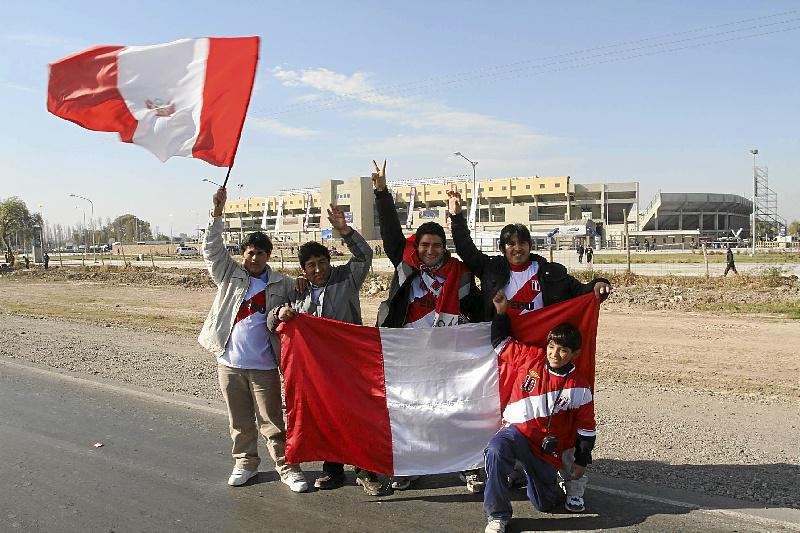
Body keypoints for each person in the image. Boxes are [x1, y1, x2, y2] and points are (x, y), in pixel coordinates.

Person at [372, 159, 484, 493]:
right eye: (424, 245)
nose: (430, 250)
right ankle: (411, 466)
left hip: (450, 352)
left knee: (457, 408)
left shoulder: (460, 273)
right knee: (411, 410)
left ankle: (468, 465)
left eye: (436, 245)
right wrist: (381, 192)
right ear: (416, 247)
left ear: (444, 247)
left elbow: (476, 309)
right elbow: (390, 231)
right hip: (408, 353)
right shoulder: (405, 264)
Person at [197, 186, 308, 493]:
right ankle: (245, 463)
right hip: (229, 364)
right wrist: (216, 213)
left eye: (260, 253)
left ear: (268, 255)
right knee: (240, 420)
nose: (254, 257)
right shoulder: (228, 274)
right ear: (243, 254)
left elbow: (305, 302)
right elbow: (211, 248)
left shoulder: (282, 283)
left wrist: (303, 282)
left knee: (272, 422)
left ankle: (287, 467)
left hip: (264, 367)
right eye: (250, 252)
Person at [268, 204, 382, 496]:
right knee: (325, 416)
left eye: (322, 262)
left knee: (355, 416)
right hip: (316, 372)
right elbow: (271, 319)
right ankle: (332, 469)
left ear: (330, 262)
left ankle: (365, 470)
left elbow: (365, 255)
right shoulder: (297, 290)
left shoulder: (347, 278)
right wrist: (280, 313)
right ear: (303, 269)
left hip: (350, 364)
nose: (318, 269)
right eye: (311, 265)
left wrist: (344, 230)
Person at [483, 290, 596, 533]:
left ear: (575, 354)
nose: (555, 354)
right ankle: (497, 515)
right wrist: (501, 312)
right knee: (495, 450)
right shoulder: (529, 358)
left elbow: (587, 430)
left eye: (563, 350)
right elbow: (500, 342)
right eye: (551, 347)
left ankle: (549, 483)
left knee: (544, 504)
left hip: (544, 451)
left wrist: (581, 462)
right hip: (516, 433)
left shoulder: (579, 385)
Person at [448, 193, 611, 322]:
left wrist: (598, 284)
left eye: (522, 243)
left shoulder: (550, 273)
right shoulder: (490, 269)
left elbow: (580, 291)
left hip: (536, 344)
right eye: (511, 244)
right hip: (500, 343)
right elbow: (466, 249)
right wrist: (456, 217)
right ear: (502, 248)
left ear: (530, 246)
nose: (517, 248)